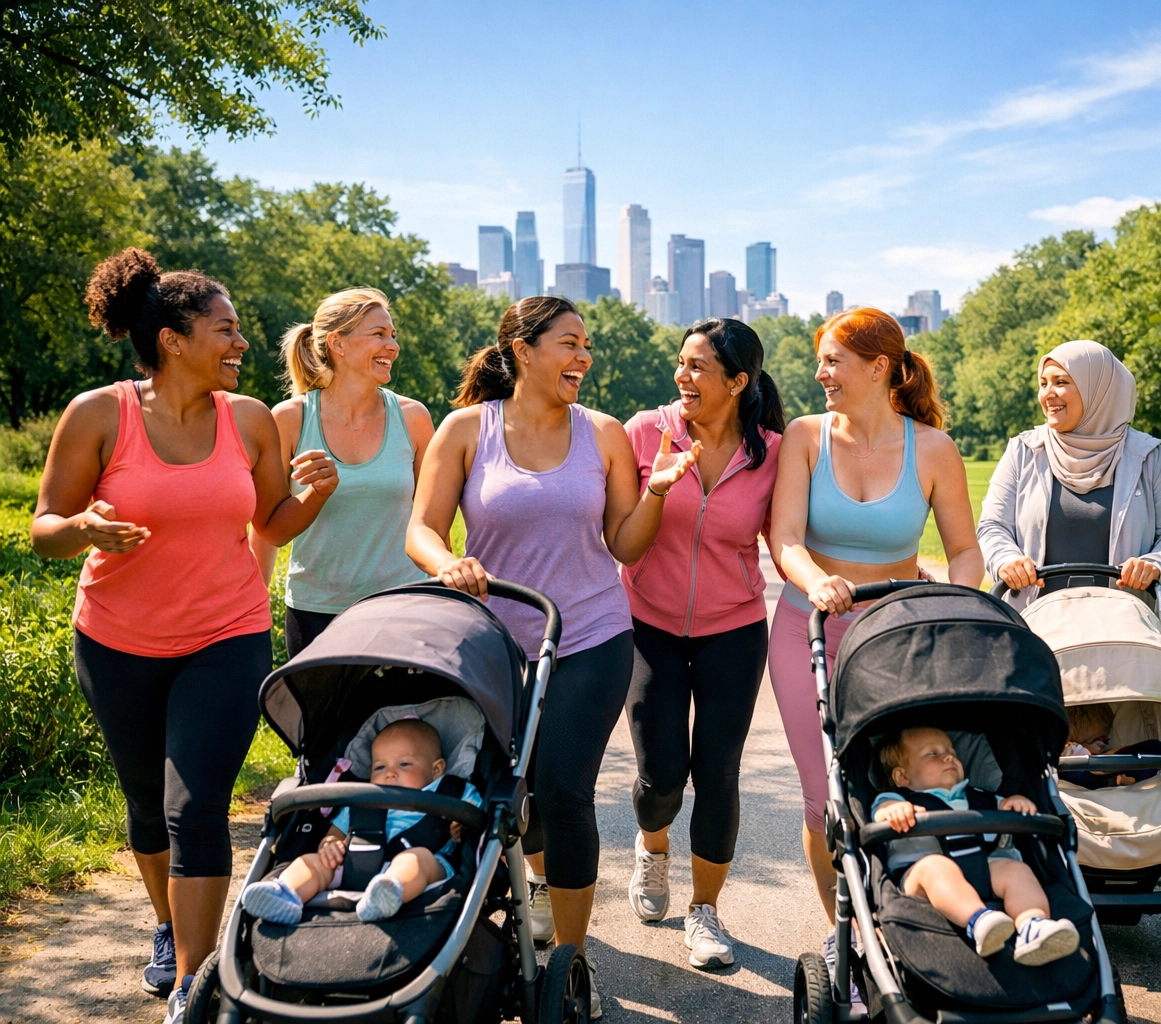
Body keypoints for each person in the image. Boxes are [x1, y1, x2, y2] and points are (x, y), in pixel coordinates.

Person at [30, 248, 338, 1024]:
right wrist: (83, 526)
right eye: (225, 329)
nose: (241, 342)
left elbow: (272, 523)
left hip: (226, 633)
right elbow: (43, 529)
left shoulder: (249, 419)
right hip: (117, 641)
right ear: (173, 340)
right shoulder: (98, 415)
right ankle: (169, 928)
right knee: (146, 805)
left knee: (194, 806)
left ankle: (191, 988)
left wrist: (314, 496)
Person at [406, 296, 696, 1019]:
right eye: (570, 343)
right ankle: (529, 887)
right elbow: (422, 529)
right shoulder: (466, 430)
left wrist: (658, 491)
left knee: (564, 792)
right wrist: (446, 563)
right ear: (523, 350)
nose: (583, 357)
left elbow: (625, 543)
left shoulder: (601, 434)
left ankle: (571, 961)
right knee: (516, 794)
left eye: (586, 345)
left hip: (591, 634)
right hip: (496, 643)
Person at [769, 307, 983, 1006]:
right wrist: (815, 581)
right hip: (809, 629)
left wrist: (959, 599)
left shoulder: (934, 450)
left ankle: (906, 915)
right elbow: (786, 537)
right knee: (824, 798)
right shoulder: (806, 437)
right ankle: (847, 930)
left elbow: (965, 550)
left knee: (894, 787)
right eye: (821, 361)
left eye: (833, 361)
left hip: (894, 639)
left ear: (879, 367)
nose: (821, 374)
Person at [621, 318, 784, 971]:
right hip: (648, 623)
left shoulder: (770, 453)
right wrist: (656, 489)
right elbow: (619, 539)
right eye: (681, 363)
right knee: (661, 776)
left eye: (698, 367)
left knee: (718, 771)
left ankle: (705, 911)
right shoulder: (644, 431)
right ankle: (652, 846)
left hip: (734, 629)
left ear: (737, 382)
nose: (682, 376)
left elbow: (786, 543)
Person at [252, 288, 434, 658]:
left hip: (402, 606)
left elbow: (433, 519)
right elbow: (267, 527)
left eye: (393, 335)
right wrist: (253, 609)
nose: (393, 346)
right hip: (315, 612)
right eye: (379, 334)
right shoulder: (289, 419)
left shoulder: (414, 418)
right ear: (338, 343)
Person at [979, 339, 1161, 607]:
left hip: (1124, 620)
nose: (1047, 394)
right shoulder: (1023, 450)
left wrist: (1153, 564)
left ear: (1097, 388)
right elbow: (993, 525)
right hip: (1034, 619)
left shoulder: (1151, 456)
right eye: (1043, 384)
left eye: (1060, 382)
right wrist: (1006, 559)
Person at [872, 727, 1080, 965]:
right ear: (902, 777)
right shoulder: (897, 800)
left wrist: (1016, 803)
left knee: (1016, 870)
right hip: (920, 881)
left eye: (952, 751)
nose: (949, 757)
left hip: (983, 867)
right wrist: (893, 811)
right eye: (933, 753)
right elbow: (880, 813)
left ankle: (1032, 924)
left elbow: (1010, 809)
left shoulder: (983, 797)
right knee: (936, 866)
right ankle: (978, 920)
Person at [243, 719, 483, 924]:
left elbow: (477, 816)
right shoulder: (362, 798)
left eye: (404, 764)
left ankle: (390, 891)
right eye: (379, 766)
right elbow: (335, 833)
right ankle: (285, 894)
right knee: (312, 862)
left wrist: (464, 825)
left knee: (415, 859)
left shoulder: (451, 791)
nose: (389, 772)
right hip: (356, 864)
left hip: (428, 865)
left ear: (436, 769)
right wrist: (329, 845)